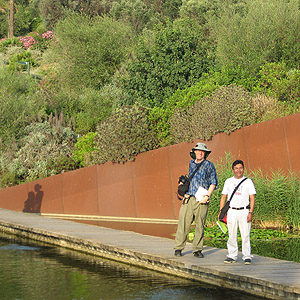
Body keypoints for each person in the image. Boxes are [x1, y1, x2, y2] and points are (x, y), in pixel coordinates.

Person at [174, 142, 218, 258]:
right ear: (194, 152)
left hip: (202, 199)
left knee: (200, 225)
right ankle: (178, 248)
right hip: (189, 198)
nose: (200, 153)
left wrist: (207, 196)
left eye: (202, 151)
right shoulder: (191, 164)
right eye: (198, 151)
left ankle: (197, 249)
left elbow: (213, 182)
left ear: (205, 153)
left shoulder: (209, 165)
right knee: (183, 224)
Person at [219, 159, 256, 265]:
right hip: (232, 211)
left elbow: (252, 198)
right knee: (232, 234)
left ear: (243, 169)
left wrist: (251, 212)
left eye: (240, 168)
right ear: (233, 170)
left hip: (244, 210)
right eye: (236, 168)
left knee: (245, 235)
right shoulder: (228, 181)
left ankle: (247, 256)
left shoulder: (248, 182)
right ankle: (232, 255)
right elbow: (223, 197)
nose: (238, 170)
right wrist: (222, 212)